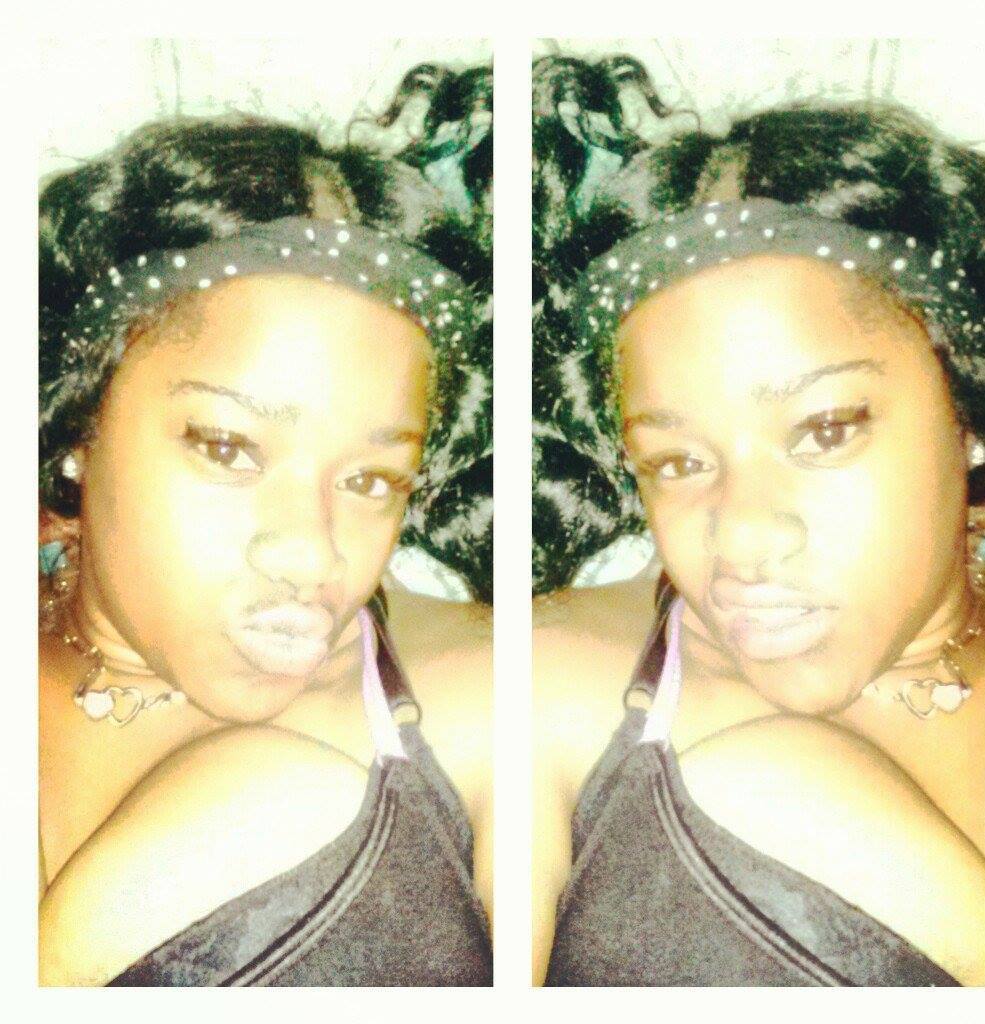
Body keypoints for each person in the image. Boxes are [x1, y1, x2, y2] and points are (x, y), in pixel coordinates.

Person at [533, 55, 985, 986]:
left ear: (966, 413)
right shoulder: (560, 685)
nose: (738, 539)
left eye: (822, 431)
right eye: (677, 462)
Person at [38, 65, 493, 987]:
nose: (309, 552)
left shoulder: (477, 704)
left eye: (369, 479)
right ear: (81, 424)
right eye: (229, 448)